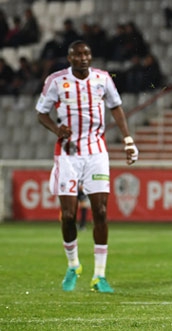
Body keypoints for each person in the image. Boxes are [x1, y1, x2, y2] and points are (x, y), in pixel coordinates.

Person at [35, 40, 139, 293]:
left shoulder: (103, 79)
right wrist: (56, 129)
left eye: (87, 54)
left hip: (96, 153)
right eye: (78, 54)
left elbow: (116, 107)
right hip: (68, 155)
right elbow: (41, 113)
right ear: (70, 58)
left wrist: (127, 140)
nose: (83, 58)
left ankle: (99, 276)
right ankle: (73, 265)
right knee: (69, 216)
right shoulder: (56, 81)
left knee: (101, 212)